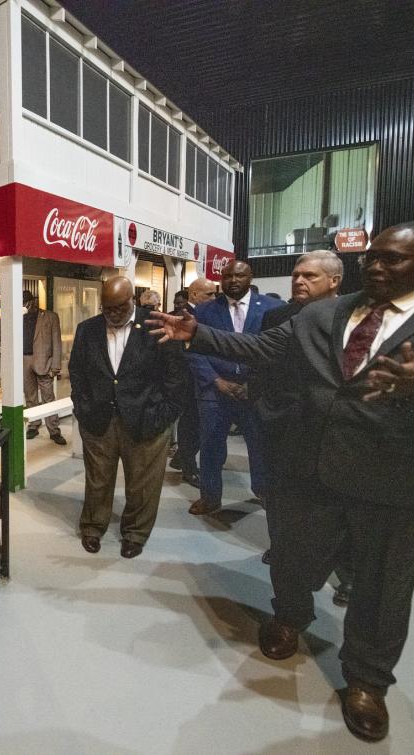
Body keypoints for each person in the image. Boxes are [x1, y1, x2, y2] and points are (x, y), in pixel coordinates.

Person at [147, 223, 414, 742]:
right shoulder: (323, 314)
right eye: (373, 258)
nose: (378, 267)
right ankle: (289, 617)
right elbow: (262, 348)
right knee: (293, 555)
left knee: (382, 587)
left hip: (389, 485)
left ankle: (367, 680)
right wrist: (196, 334)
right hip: (308, 470)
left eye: (394, 260)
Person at [254, 251, 353, 603]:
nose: (299, 281)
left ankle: (347, 575)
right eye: (296, 274)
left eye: (309, 275)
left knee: (340, 514)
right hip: (286, 432)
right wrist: (264, 407)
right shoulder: (278, 317)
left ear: (334, 281)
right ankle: (289, 605)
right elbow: (261, 362)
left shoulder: (357, 319)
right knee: (284, 511)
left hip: (339, 438)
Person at [68, 277, 186, 558]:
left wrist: (166, 414)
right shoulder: (88, 330)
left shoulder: (156, 326)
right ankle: (93, 526)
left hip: (147, 420)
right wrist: (82, 408)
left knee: (143, 483)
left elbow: (176, 375)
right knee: (97, 480)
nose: (113, 314)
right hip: (99, 419)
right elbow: (77, 372)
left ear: (133, 299)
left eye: (120, 307)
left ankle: (135, 533)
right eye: (107, 308)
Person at [186, 261, 281, 515]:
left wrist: (255, 384)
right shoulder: (205, 311)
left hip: (255, 391)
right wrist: (216, 381)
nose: (233, 280)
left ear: (251, 277)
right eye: (227, 276)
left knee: (260, 446)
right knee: (210, 446)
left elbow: (278, 352)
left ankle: (262, 491)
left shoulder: (273, 308)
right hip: (214, 390)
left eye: (239, 275)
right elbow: (193, 351)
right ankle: (210, 496)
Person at [170, 278, 216, 487]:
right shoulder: (183, 317)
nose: (214, 298)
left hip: (201, 379)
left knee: (196, 425)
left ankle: (182, 458)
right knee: (191, 425)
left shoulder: (207, 315)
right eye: (209, 294)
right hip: (188, 380)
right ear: (194, 294)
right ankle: (189, 467)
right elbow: (180, 353)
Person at [22, 290, 66, 445]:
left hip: (44, 361)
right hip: (24, 359)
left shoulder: (50, 316)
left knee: (48, 397)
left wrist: (56, 365)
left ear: (33, 301)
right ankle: (33, 425)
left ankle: (54, 431)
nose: (25, 305)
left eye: (27, 302)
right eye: (23, 303)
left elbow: (57, 341)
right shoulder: (19, 316)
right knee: (30, 396)